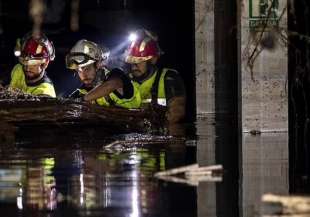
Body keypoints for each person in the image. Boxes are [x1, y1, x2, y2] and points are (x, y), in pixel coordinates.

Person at [125, 29, 186, 123]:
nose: (134, 66)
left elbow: (177, 114)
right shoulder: (125, 80)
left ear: (153, 60)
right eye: (132, 62)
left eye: (140, 61)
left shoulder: (169, 78)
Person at [66, 39, 141, 109]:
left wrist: (82, 99)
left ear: (98, 64)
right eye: (79, 71)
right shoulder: (81, 92)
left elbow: (111, 85)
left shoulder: (116, 75)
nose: (83, 74)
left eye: (87, 68)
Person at [9, 32, 56, 97]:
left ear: (44, 64)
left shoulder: (45, 92)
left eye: (33, 65)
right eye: (25, 63)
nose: (27, 69)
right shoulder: (18, 69)